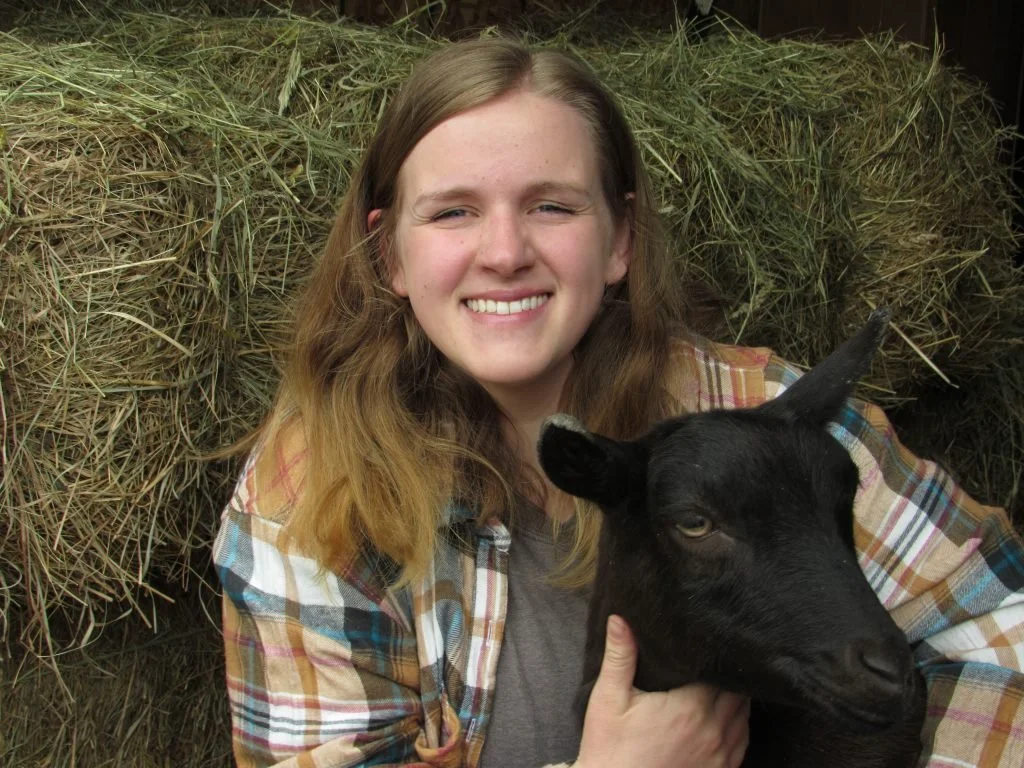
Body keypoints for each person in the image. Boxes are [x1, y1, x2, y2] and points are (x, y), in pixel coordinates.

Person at [213, 37, 1024, 768]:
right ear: (390, 251)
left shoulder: (760, 418)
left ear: (621, 241)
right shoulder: (311, 495)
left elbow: (1001, 621)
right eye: (454, 212)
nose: (504, 253)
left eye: (552, 206)